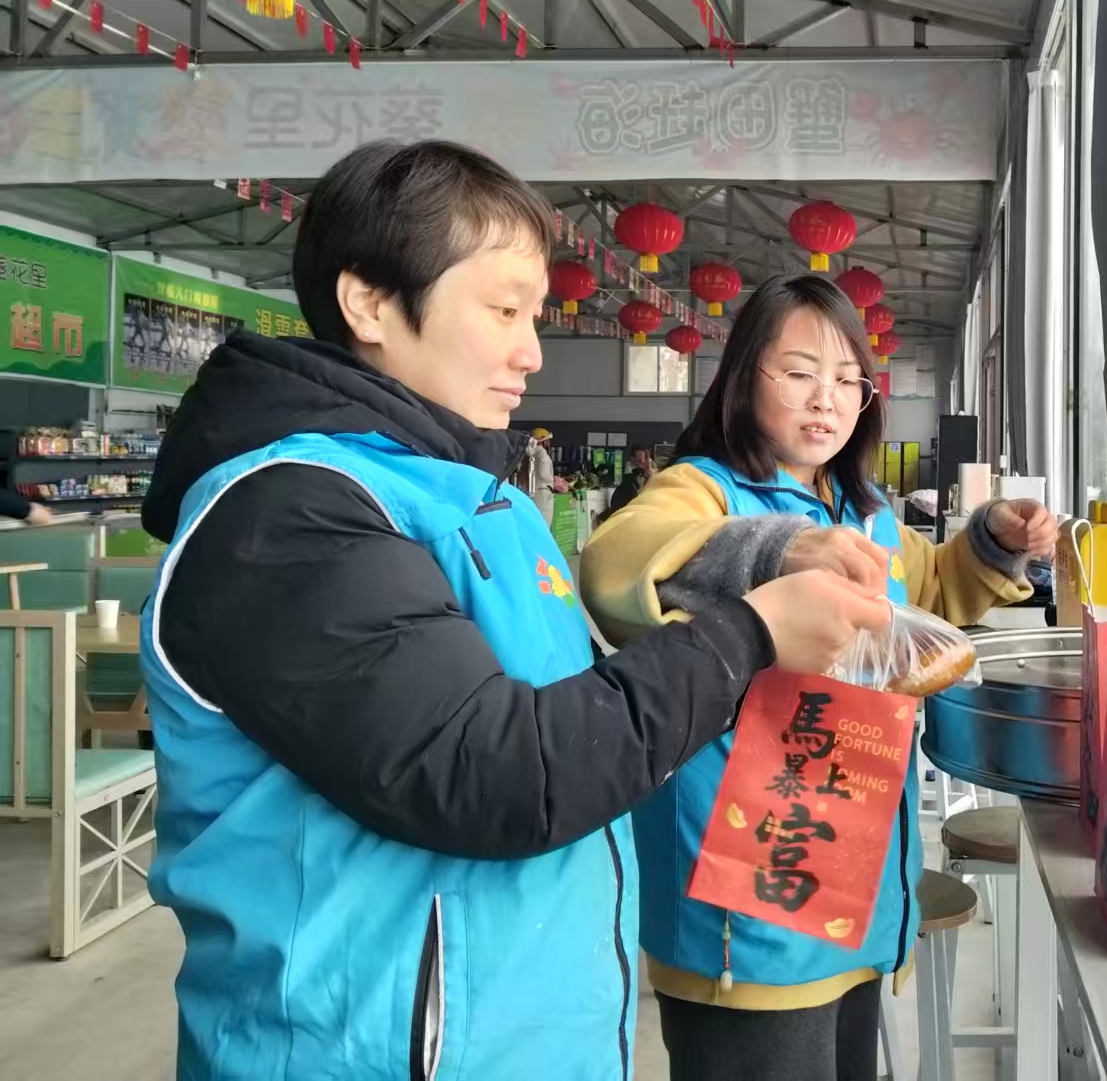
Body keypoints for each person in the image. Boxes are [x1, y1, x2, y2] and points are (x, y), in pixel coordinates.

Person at [136, 140, 891, 1080]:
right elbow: (503, 772)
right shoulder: (289, 514)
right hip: (371, 1052)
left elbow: (573, 719)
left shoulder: (483, 502)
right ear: (368, 302)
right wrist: (750, 635)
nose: (532, 351)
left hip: (521, 1037)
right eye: (503, 310)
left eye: (534, 314)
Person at [582, 274, 1059, 1081]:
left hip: (849, 871)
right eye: (800, 373)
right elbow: (616, 561)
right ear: (743, 379)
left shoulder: (859, 508)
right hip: (749, 894)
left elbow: (927, 586)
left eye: (846, 380)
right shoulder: (702, 489)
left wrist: (996, 543)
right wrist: (779, 551)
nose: (825, 399)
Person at [521, 426, 556, 522]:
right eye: (548, 440)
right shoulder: (542, 455)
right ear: (544, 441)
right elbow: (543, 474)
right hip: (543, 494)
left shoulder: (530, 454)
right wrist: (553, 479)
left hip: (532, 492)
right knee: (544, 522)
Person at [608, 446, 653, 513]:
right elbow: (630, 479)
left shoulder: (649, 467)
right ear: (633, 458)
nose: (641, 459)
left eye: (642, 456)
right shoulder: (630, 467)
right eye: (639, 457)